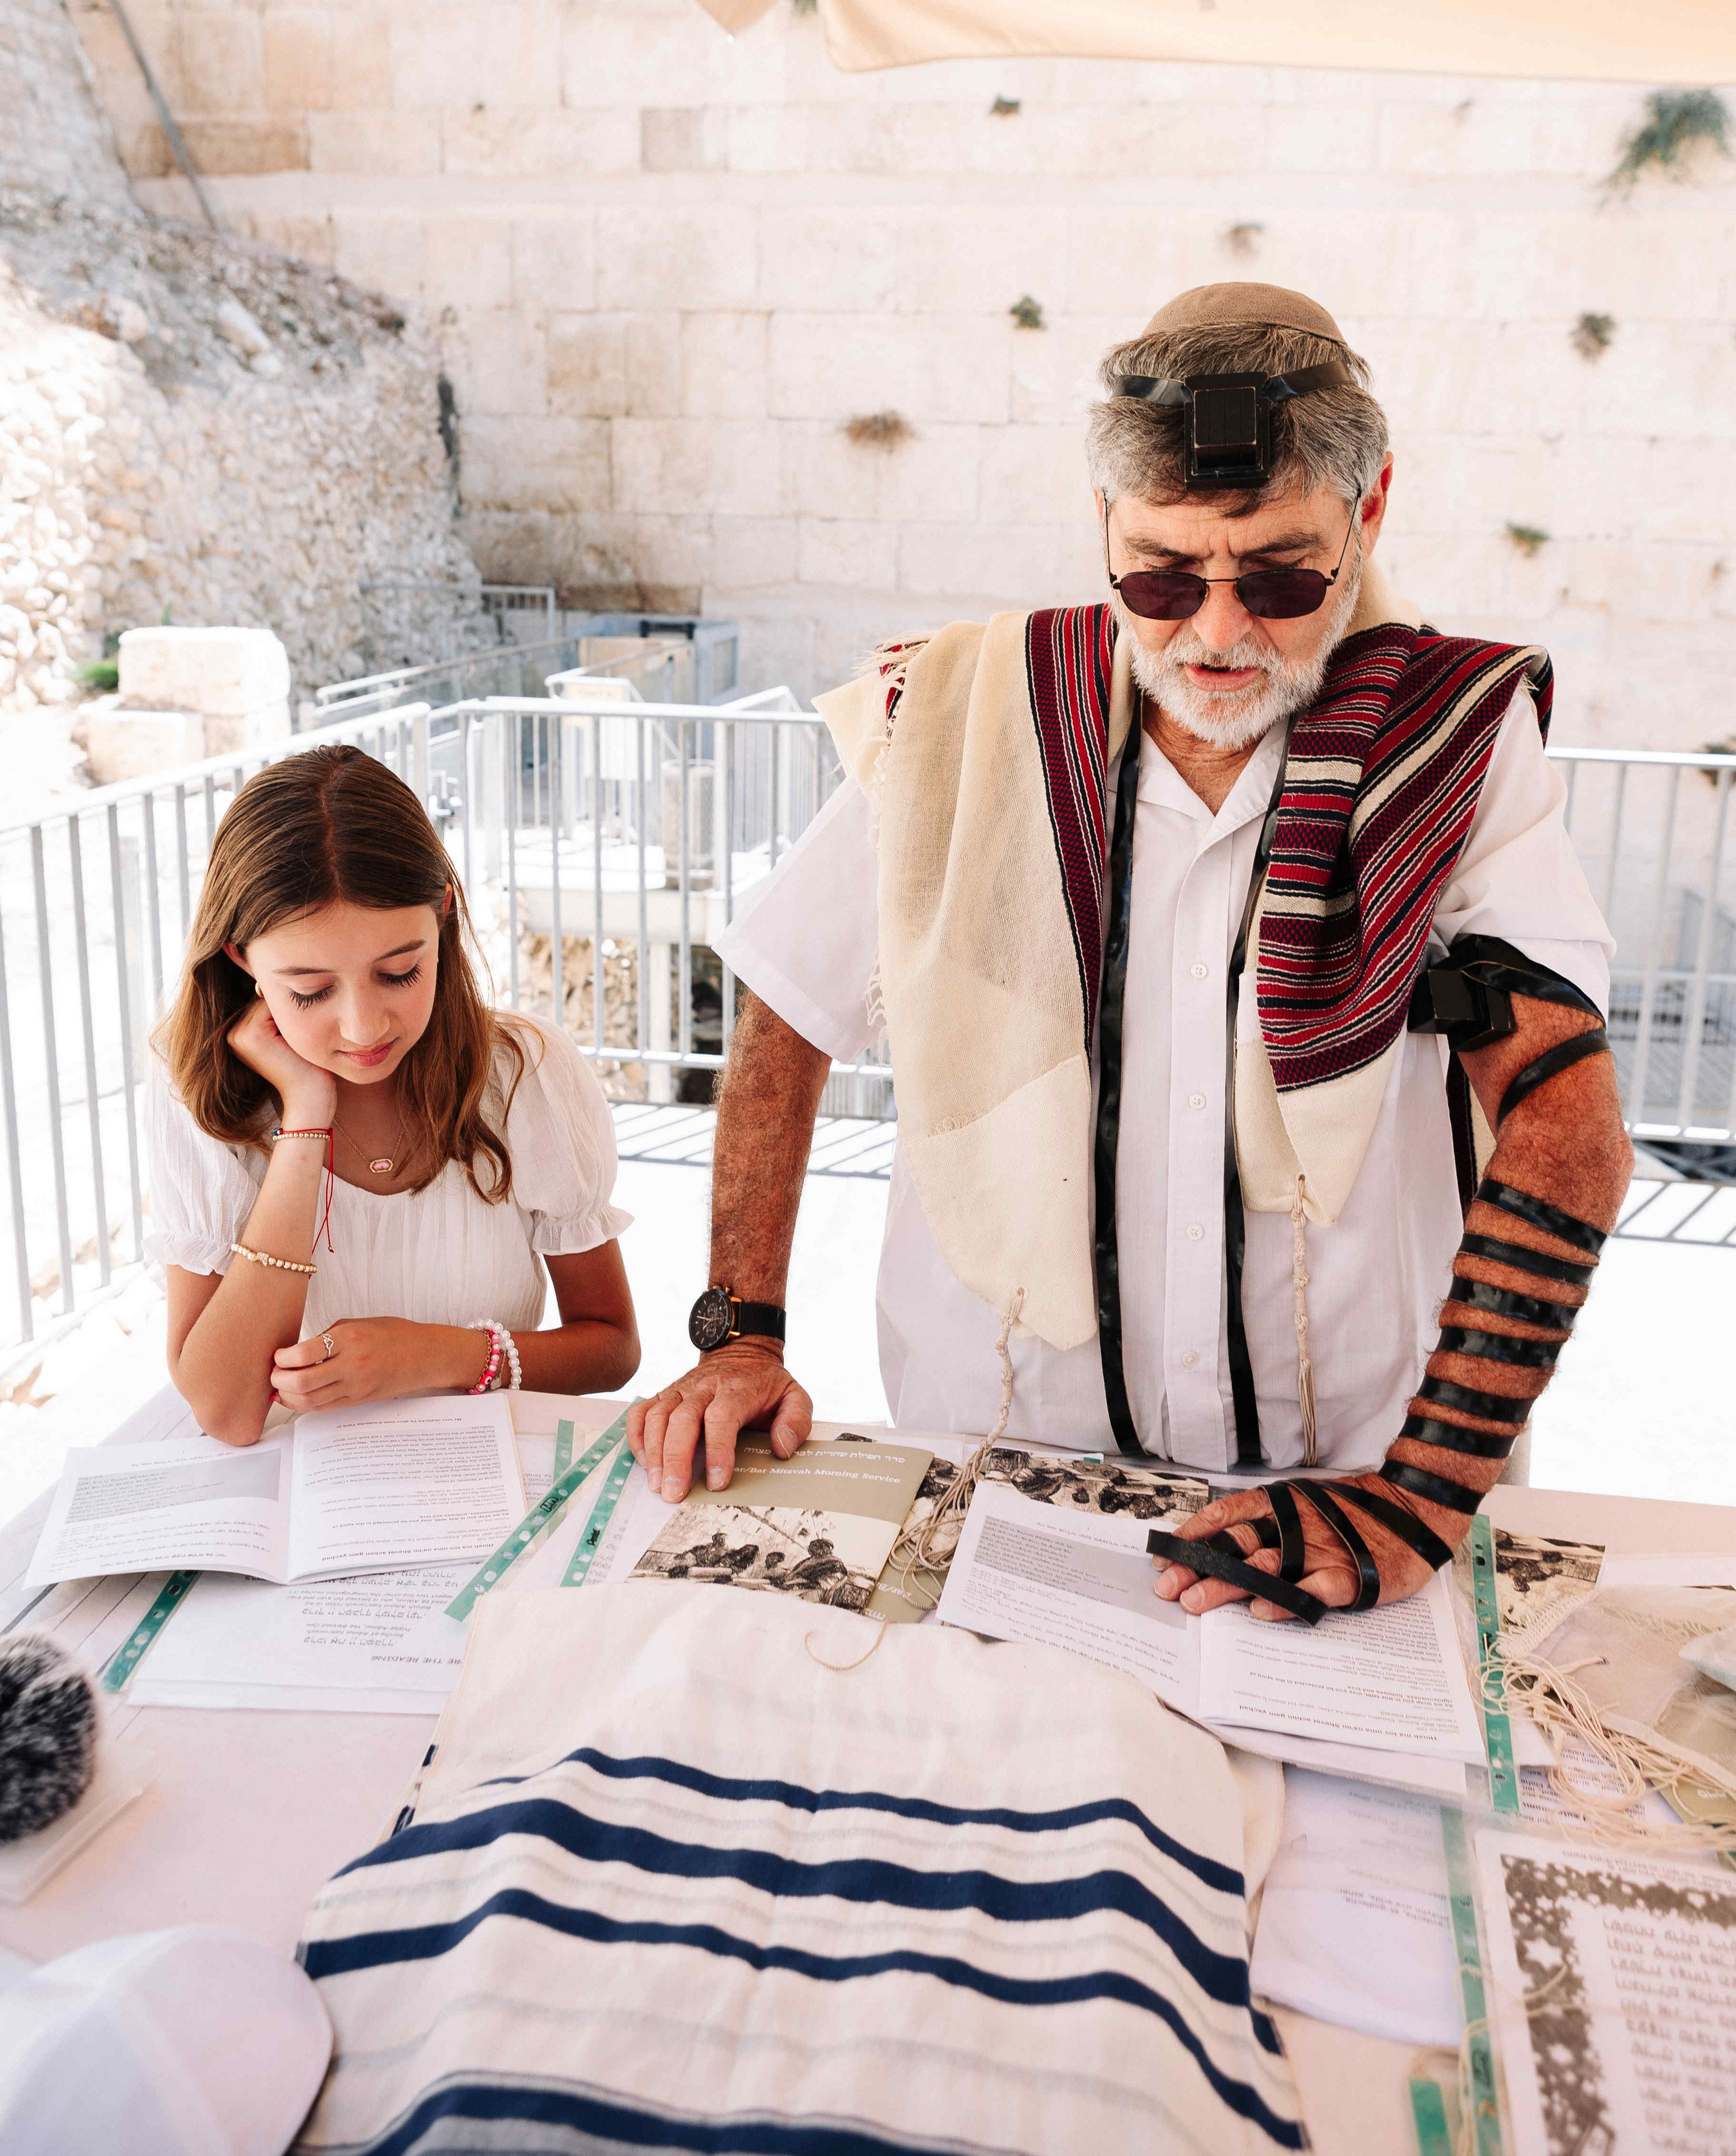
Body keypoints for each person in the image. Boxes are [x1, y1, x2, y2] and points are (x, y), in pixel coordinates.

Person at [629, 280, 1632, 1624]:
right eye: (1161, 577)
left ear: (1369, 511)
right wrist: (737, 1333)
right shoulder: (956, 716)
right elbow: (788, 1008)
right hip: (1001, 1461)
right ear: (1099, 524)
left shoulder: (1451, 743)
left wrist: (1424, 1491)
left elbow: (1564, 1127)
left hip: (1345, 1492)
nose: (1216, 634)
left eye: (1277, 576)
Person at [149, 742, 639, 1448]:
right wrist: (305, 1122)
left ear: (442, 916)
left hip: (490, 1488)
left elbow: (613, 1348)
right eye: (310, 990)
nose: (363, 1028)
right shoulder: (194, 1089)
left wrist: (440, 1356)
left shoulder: (522, 1073)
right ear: (241, 960)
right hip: (300, 1508)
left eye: (400, 973)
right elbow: (227, 1413)